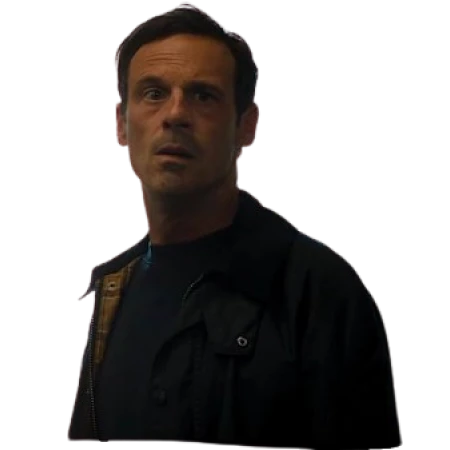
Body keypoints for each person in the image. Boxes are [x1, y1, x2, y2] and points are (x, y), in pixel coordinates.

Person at [67, 3, 400, 448]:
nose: (175, 114)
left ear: (247, 127)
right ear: (120, 124)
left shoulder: (315, 292)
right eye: (153, 92)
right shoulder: (111, 292)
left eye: (203, 95)